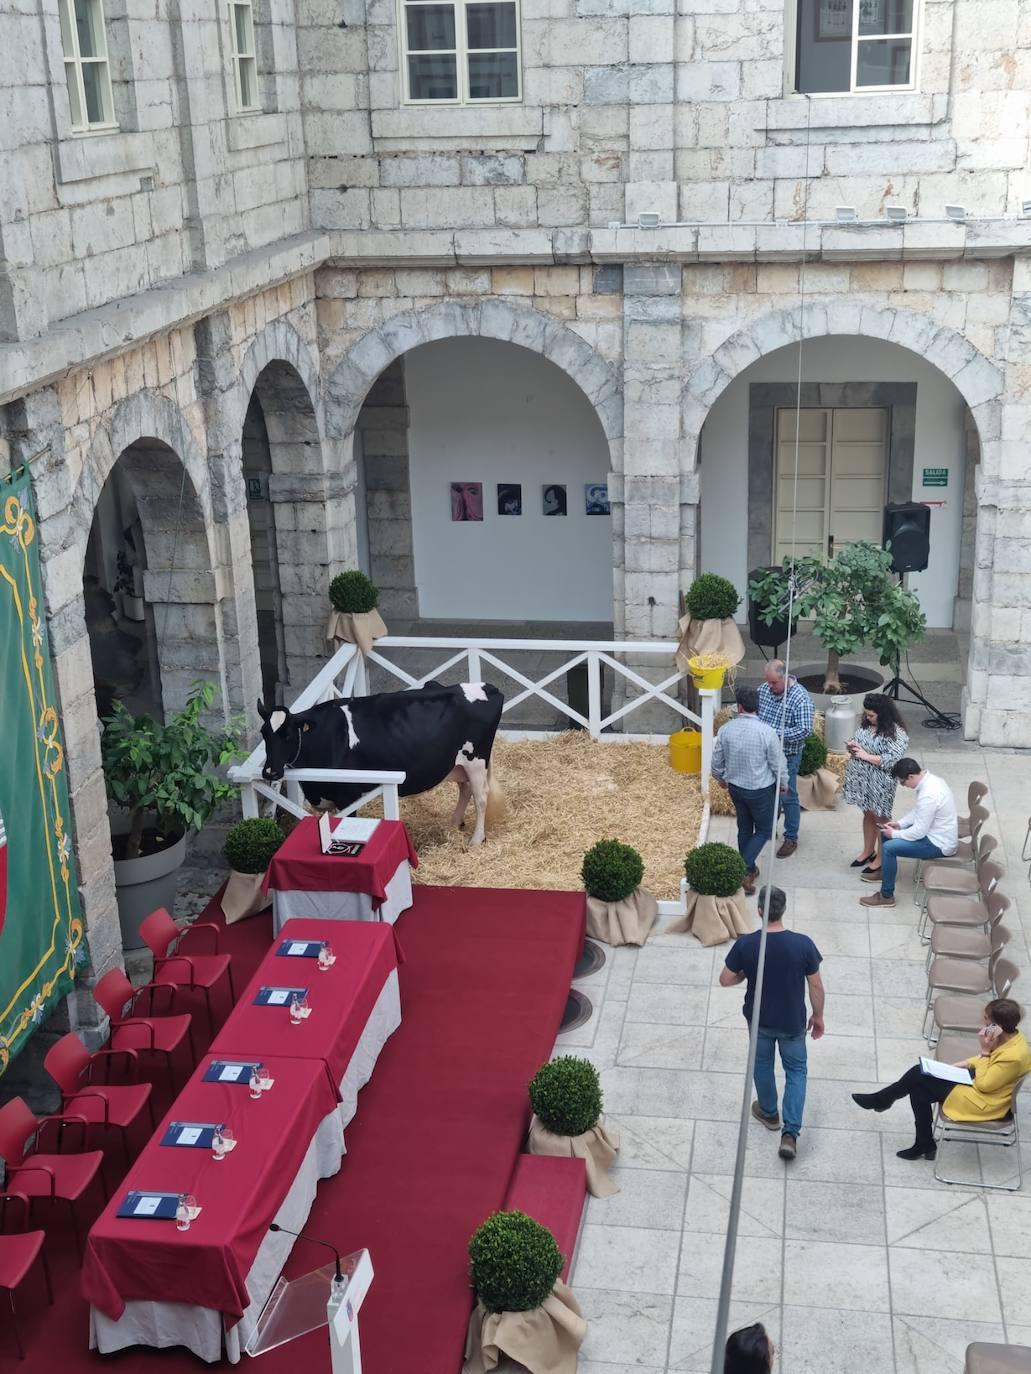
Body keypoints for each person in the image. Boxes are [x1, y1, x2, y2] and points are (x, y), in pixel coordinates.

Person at [720, 885, 825, 1161]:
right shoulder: (803, 944)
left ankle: (769, 1112)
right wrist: (818, 1016)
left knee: (762, 1064)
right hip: (792, 1022)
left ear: (759, 911)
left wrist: (745, 972)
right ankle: (790, 1133)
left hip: (759, 1020)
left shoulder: (747, 944)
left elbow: (725, 979)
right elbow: (815, 985)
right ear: (784, 910)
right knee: (796, 1071)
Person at [852, 998, 1031, 1160]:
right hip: (979, 1081)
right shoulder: (1011, 1036)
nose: (982, 1021)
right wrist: (960, 1064)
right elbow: (989, 1063)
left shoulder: (1013, 1056)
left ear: (996, 1025)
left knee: (918, 1078)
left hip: (983, 1100)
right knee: (919, 1085)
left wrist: (984, 1051)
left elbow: (985, 1085)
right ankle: (921, 1140)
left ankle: (884, 1102)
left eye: (985, 1018)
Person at [711, 687, 786, 896]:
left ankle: (751, 869)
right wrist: (784, 783)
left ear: (739, 707)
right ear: (757, 707)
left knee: (744, 827)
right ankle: (742, 869)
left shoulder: (726, 729)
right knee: (765, 830)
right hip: (761, 790)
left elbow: (715, 763)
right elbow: (778, 764)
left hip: (736, 788)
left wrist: (721, 780)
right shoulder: (767, 732)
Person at [859, 756, 958, 909]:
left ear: (911, 776)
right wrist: (899, 824)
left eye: (903, 782)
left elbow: (919, 832)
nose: (903, 785)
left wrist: (895, 834)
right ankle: (886, 873)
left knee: (889, 847)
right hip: (933, 833)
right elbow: (918, 812)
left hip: (939, 843)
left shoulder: (929, 795)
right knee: (885, 832)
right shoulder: (930, 781)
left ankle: (886, 896)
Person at [842, 694, 909, 877]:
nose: (867, 718)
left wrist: (865, 755)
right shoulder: (867, 725)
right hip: (863, 777)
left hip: (881, 780)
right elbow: (862, 744)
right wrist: (853, 747)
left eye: (871, 715)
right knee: (867, 813)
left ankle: (881, 858)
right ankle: (868, 850)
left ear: (883, 714)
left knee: (881, 818)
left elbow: (890, 760)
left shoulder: (897, 733)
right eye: (866, 714)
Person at [756, 659, 814, 859]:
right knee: (766, 792)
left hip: (787, 754)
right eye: (769, 682)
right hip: (764, 753)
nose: (769, 687)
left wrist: (773, 733)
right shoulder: (764, 689)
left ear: (785, 678)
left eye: (774, 683)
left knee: (788, 796)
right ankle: (769, 827)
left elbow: (805, 730)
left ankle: (791, 837)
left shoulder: (801, 698)